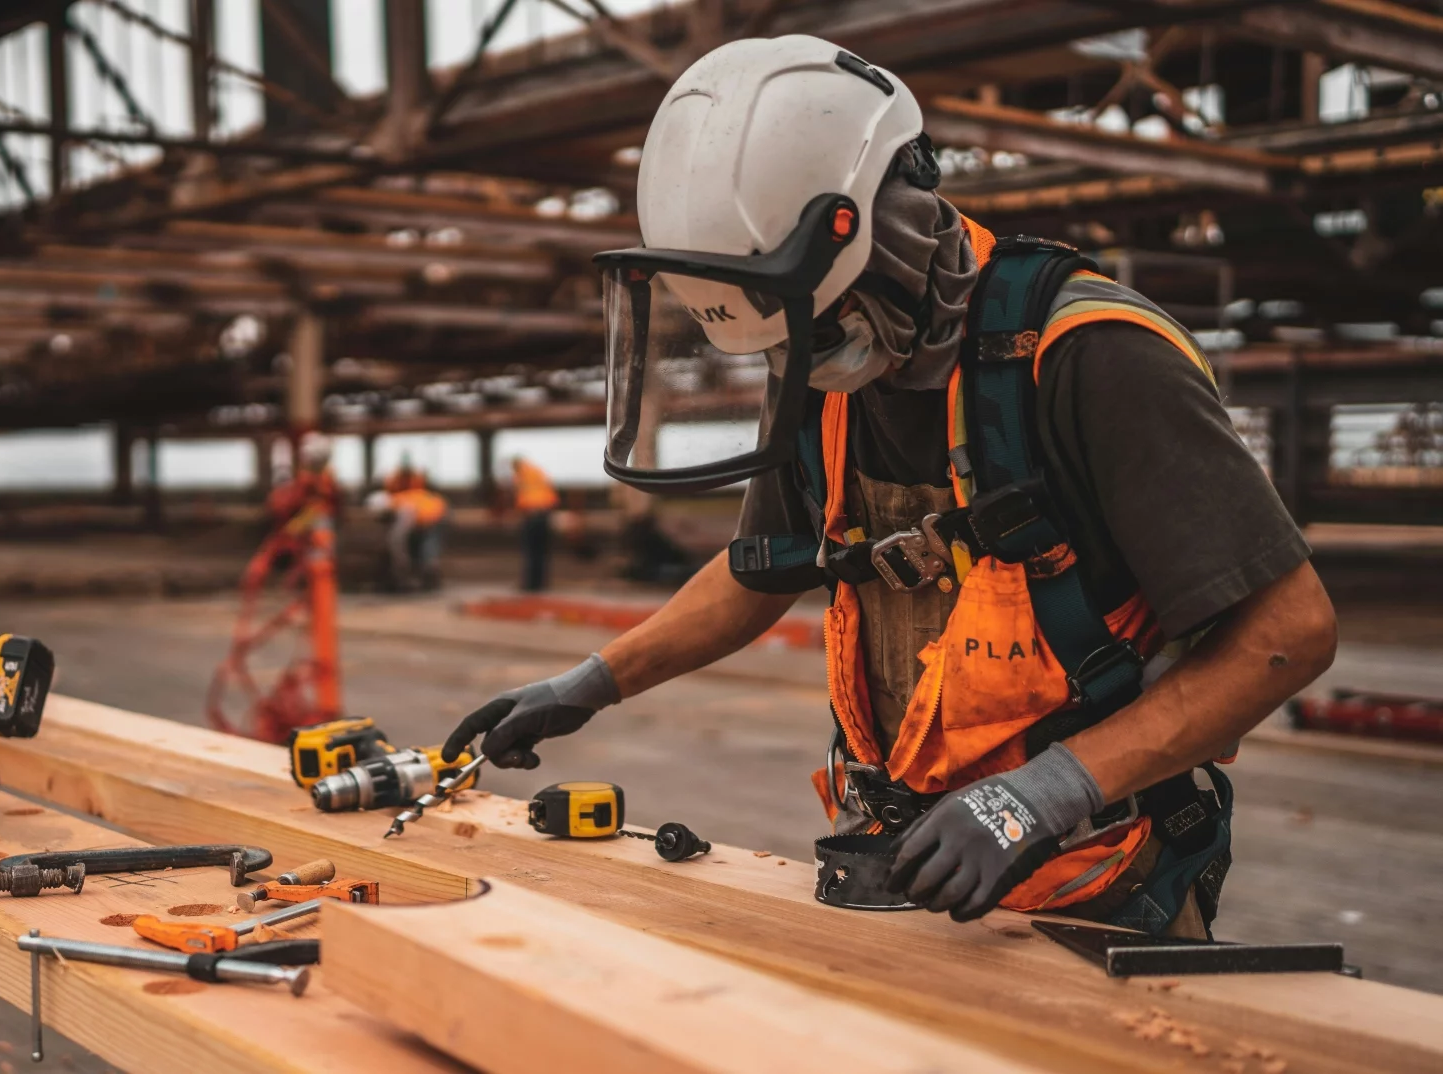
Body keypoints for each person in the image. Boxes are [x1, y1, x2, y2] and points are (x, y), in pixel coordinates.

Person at [442, 36, 1335, 939]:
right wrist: (591, 682)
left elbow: (1289, 633)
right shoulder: (815, 369)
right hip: (896, 862)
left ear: (890, 230)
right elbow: (764, 569)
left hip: (1096, 876)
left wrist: (1045, 794)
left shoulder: (1089, 356)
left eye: (822, 325)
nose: (808, 358)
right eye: (790, 339)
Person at [508, 455, 558, 591]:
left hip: (531, 515)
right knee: (541, 550)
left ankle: (531, 585)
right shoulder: (537, 471)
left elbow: (520, 494)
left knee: (531, 550)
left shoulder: (521, 475)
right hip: (544, 513)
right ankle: (540, 583)